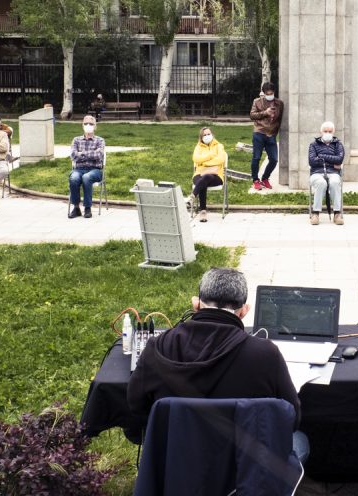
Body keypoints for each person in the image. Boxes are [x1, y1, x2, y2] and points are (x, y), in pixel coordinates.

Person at [126, 268, 304, 458]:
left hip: (175, 461)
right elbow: (291, 418)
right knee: (300, 441)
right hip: (243, 468)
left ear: (196, 304)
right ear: (244, 311)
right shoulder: (266, 354)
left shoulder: (157, 347)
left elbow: (135, 408)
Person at [67, 115, 105, 219]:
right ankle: (76, 208)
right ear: (82, 125)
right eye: (86, 123)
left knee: (86, 177)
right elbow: (73, 155)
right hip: (78, 169)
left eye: (91, 123)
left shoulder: (100, 140)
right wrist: (90, 154)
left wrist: (81, 154)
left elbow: (99, 155)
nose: (88, 125)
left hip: (95, 170)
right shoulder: (76, 140)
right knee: (74, 178)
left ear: (95, 126)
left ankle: (87, 208)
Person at [308, 121, 345, 225]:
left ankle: (337, 214)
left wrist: (321, 156)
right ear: (321, 132)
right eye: (325, 131)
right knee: (321, 183)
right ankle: (315, 214)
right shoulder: (313, 145)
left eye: (330, 131)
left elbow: (339, 159)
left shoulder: (338, 144)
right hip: (317, 172)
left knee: (334, 182)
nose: (327, 133)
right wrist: (331, 162)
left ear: (333, 132)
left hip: (333, 172)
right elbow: (311, 161)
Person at [249, 82, 283, 190]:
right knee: (256, 157)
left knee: (274, 159)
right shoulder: (257, 102)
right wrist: (265, 112)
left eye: (271, 93)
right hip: (259, 132)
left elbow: (280, 119)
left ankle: (265, 178)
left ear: (274, 92)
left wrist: (274, 133)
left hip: (271, 135)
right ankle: (255, 180)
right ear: (264, 93)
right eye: (267, 93)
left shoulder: (279, 103)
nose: (270, 95)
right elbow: (252, 115)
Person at [191, 126, 226, 222]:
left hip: (216, 175)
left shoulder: (219, 146)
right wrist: (210, 156)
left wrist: (204, 163)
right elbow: (196, 159)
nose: (207, 136)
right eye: (204, 135)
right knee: (203, 181)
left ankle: (194, 196)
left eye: (208, 134)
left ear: (212, 135)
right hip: (199, 174)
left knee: (205, 178)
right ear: (201, 137)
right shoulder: (198, 147)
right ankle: (202, 211)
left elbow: (221, 159)